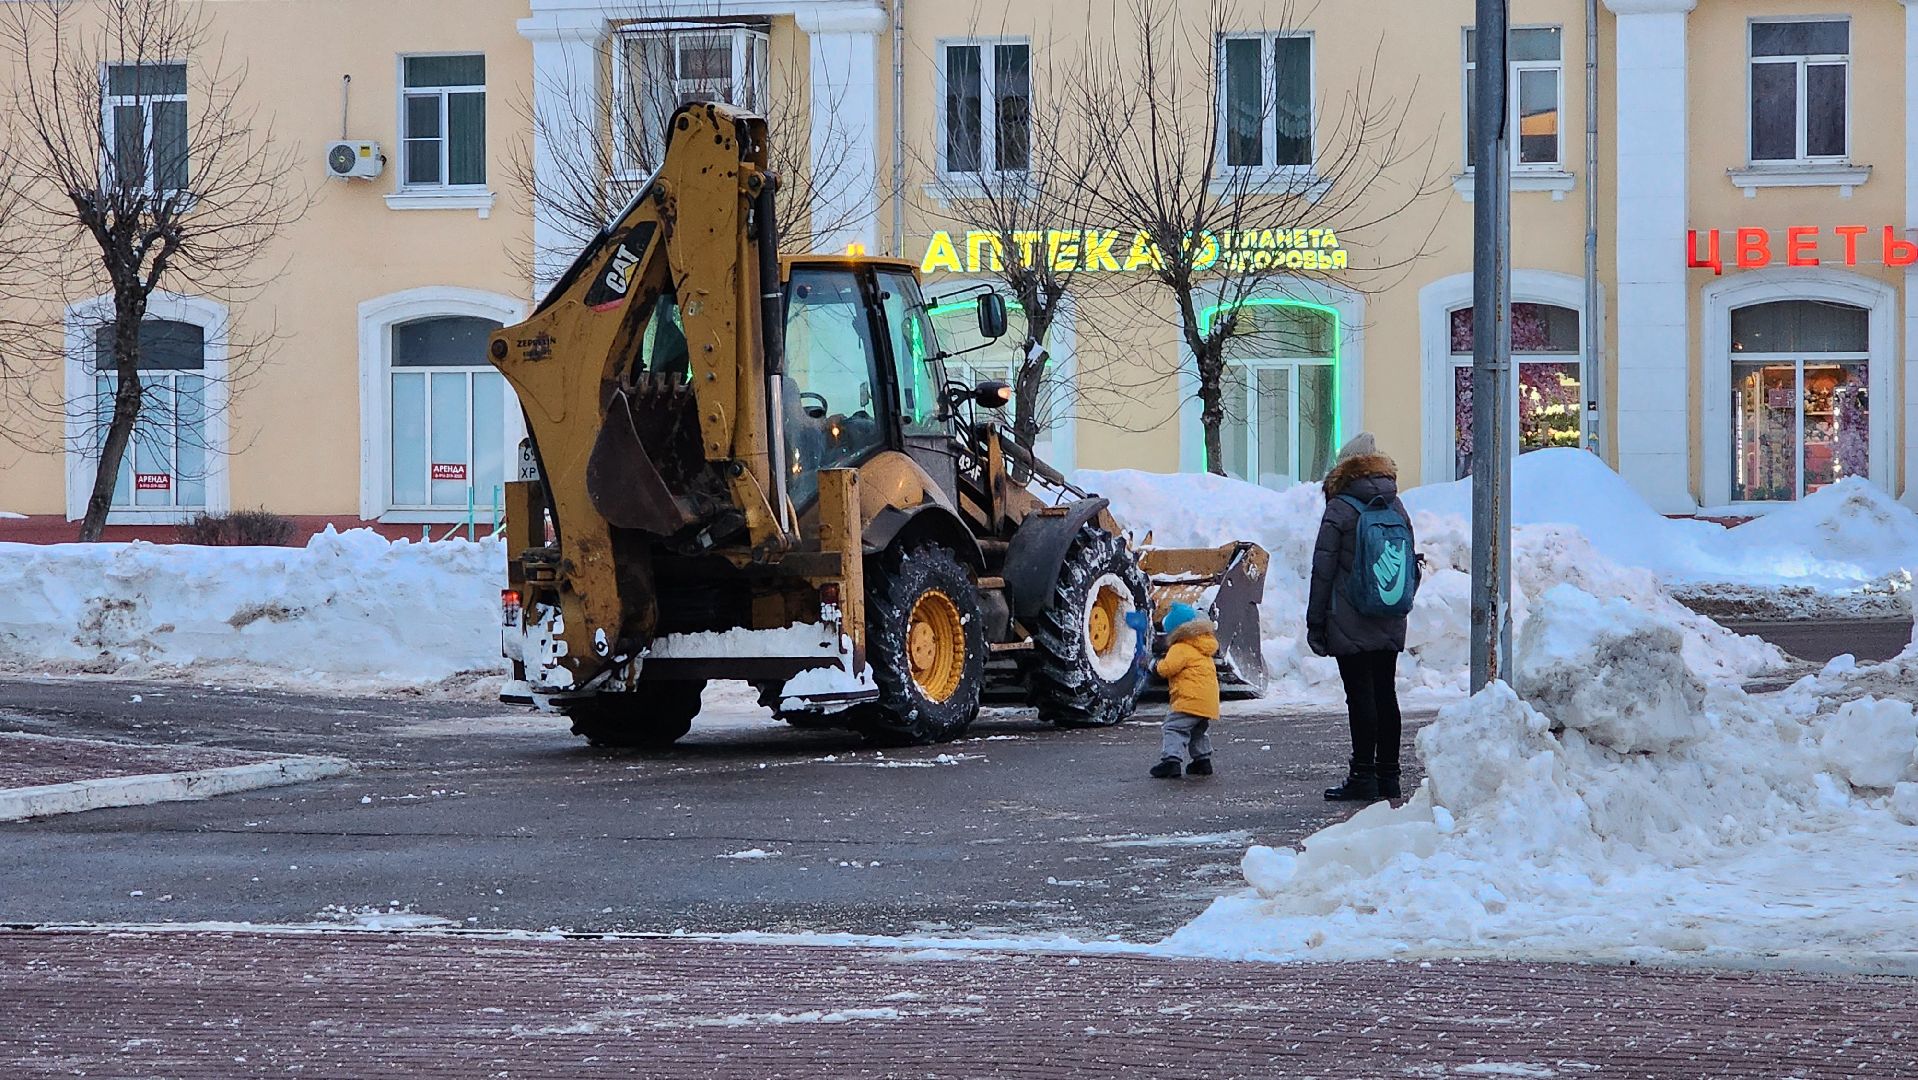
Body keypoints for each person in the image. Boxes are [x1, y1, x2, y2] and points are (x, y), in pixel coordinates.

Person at [1307, 432, 1416, 802]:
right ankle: (1390, 776)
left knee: (1360, 696)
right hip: (1388, 609)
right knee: (1386, 693)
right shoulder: (1395, 505)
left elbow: (1322, 570)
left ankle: (1363, 775)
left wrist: (1316, 621)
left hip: (1349, 616)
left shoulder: (1340, 507)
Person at [1149, 602, 1220, 779]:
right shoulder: (1202, 647)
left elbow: (1167, 669)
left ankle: (1171, 762)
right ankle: (1202, 761)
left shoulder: (1180, 647)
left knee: (1173, 727)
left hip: (1189, 700)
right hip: (1207, 702)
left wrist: (1153, 664)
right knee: (1197, 731)